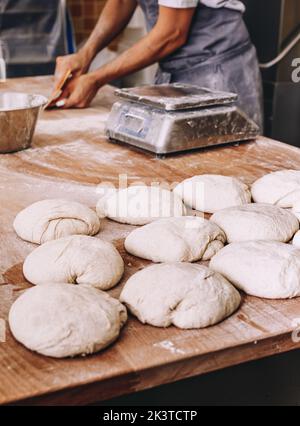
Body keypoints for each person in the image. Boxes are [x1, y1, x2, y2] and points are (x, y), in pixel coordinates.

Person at [52, 0, 263, 130]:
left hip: (217, 74)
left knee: (221, 171)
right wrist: (85, 54)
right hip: (173, 70)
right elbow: (122, 2)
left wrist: (95, 79)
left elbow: (172, 33)